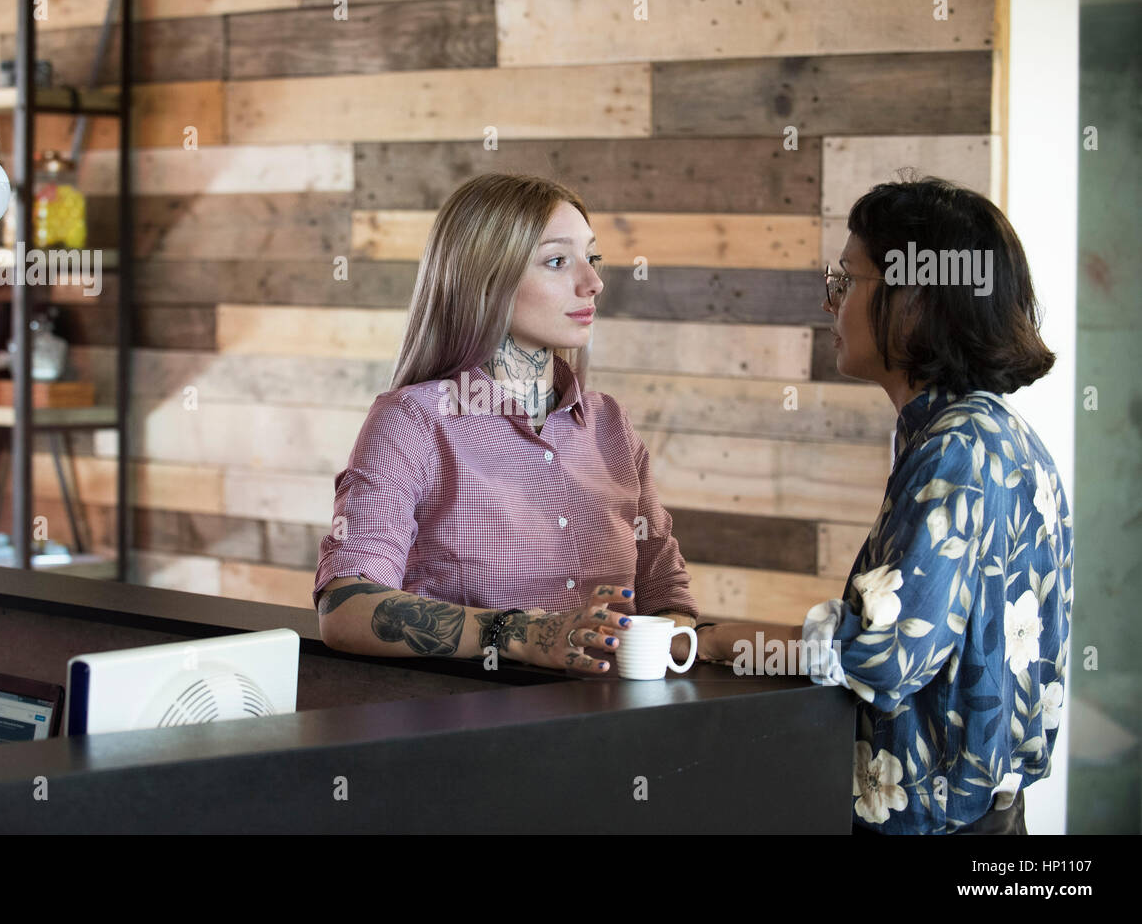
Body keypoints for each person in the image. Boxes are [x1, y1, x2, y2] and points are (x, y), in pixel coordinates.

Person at [696, 177, 1072, 834]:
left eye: (847, 279)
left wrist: (723, 641)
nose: (829, 299)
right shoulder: (995, 433)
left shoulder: (957, 447)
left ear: (916, 302)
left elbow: (887, 649)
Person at [314, 173, 700, 674]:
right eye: (558, 261)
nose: (594, 282)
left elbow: (667, 598)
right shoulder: (412, 422)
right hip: (462, 730)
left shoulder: (611, 428)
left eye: (593, 258)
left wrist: (689, 637)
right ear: (486, 277)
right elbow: (345, 608)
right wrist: (521, 633)